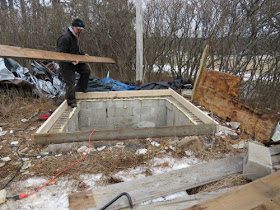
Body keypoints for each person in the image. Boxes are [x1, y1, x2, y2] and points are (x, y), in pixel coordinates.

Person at [57, 18, 90, 108]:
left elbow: (77, 49)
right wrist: (70, 60)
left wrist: (83, 54)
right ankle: (71, 101)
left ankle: (80, 88)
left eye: (81, 30)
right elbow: (60, 53)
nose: (80, 31)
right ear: (73, 27)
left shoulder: (76, 36)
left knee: (86, 71)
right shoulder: (65, 37)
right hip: (66, 63)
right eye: (78, 29)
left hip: (76, 60)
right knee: (70, 81)